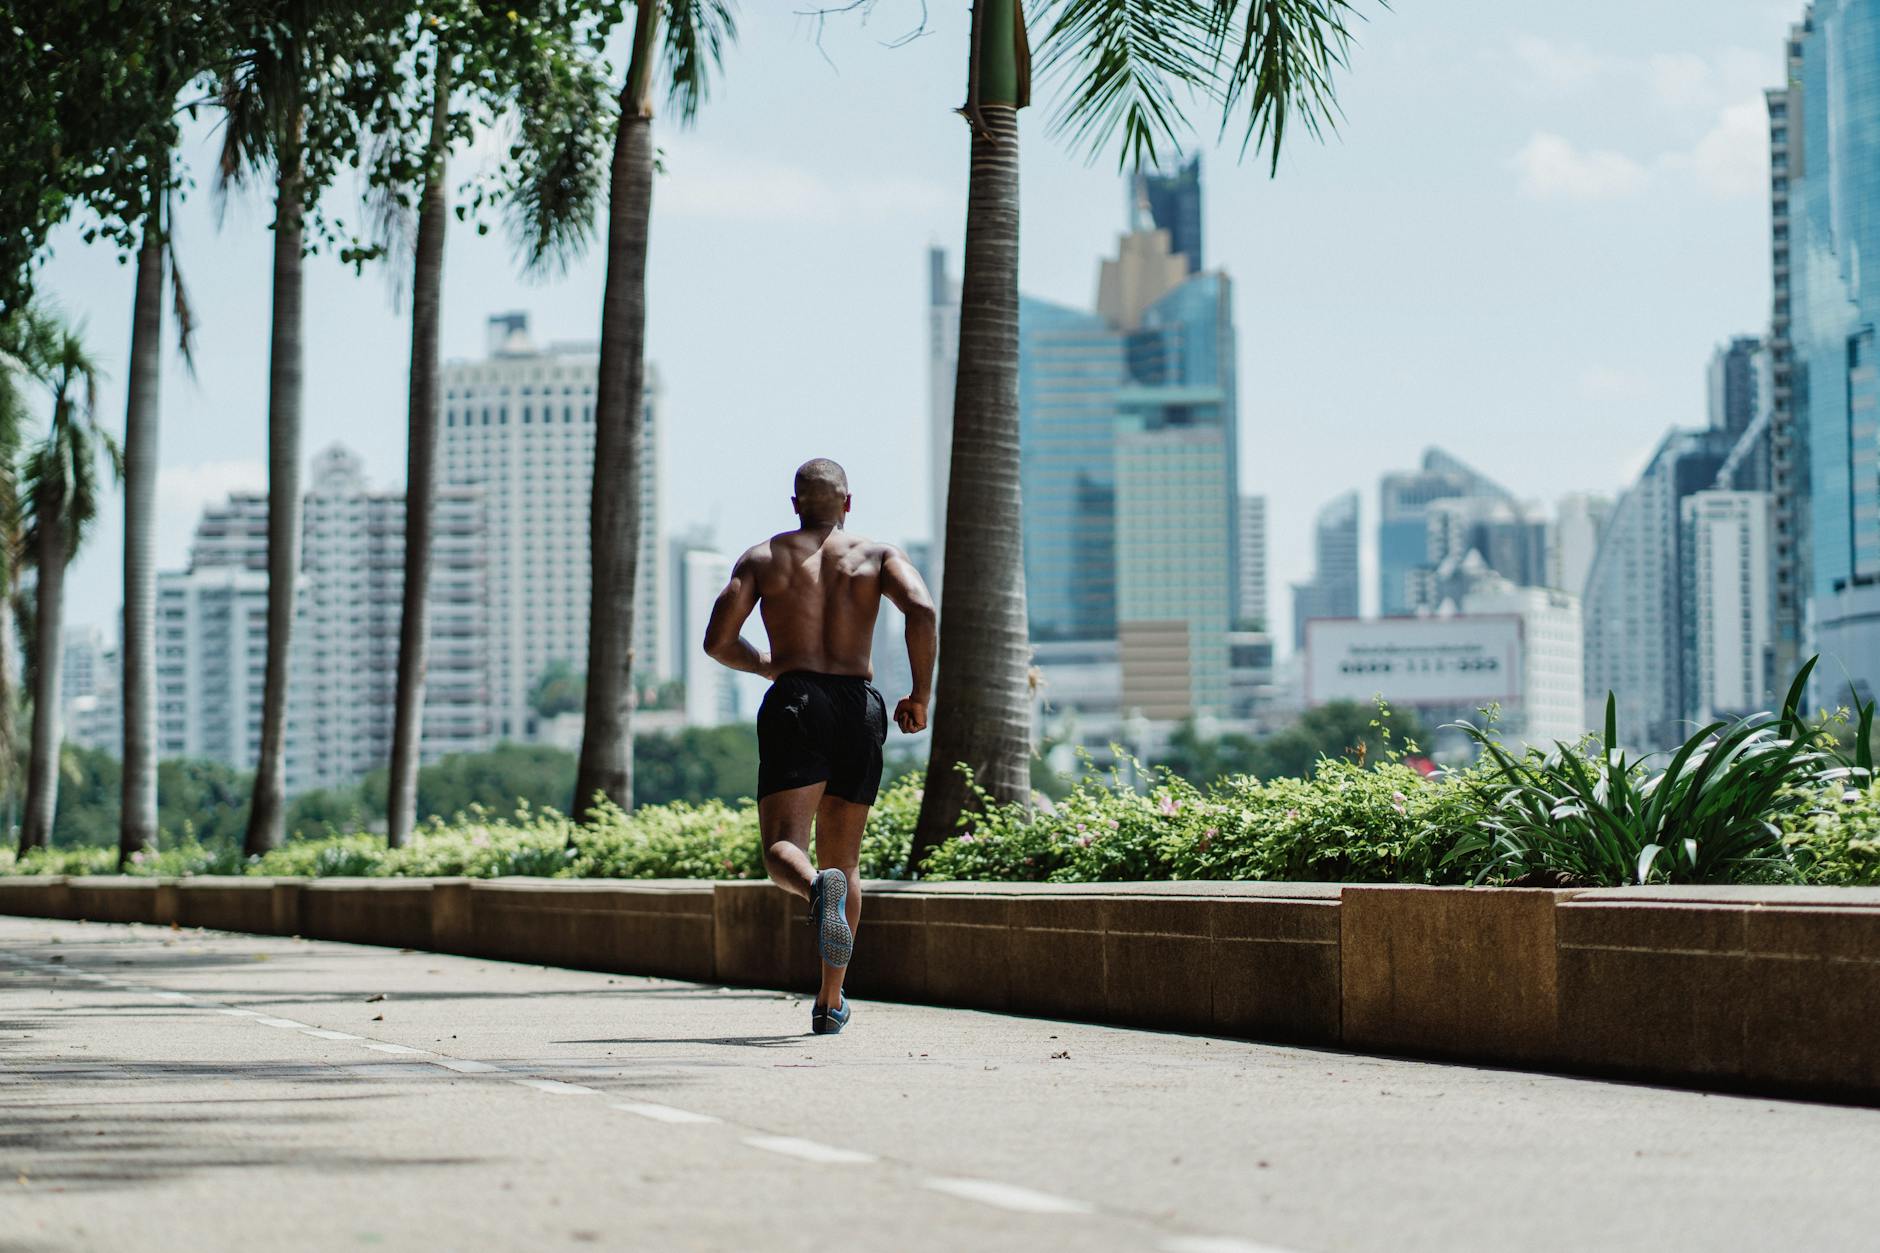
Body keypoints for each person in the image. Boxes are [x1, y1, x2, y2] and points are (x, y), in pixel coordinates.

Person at [703, 458, 937, 1035]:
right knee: (846, 861)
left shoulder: (764, 558)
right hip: (861, 705)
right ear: (847, 503)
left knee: (785, 845)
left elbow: (717, 642)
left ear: (795, 503)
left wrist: (767, 666)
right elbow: (923, 609)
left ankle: (813, 888)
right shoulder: (879, 556)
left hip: (797, 701)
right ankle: (830, 1002)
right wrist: (920, 694)